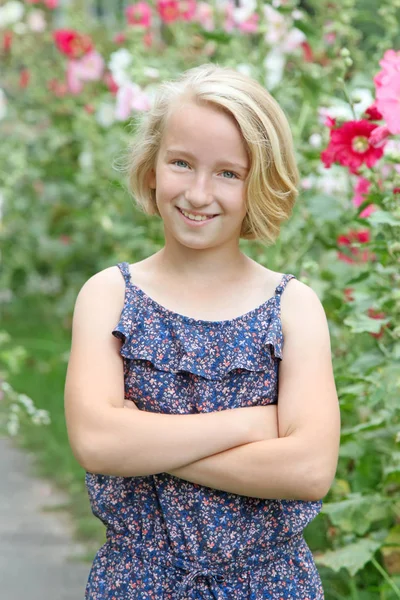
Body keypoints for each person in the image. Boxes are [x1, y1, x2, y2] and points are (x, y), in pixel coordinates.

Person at [64, 63, 341, 599]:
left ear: (259, 181)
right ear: (151, 167)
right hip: (138, 581)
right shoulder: (110, 296)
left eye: (227, 173)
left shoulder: (293, 308)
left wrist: (145, 439)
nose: (197, 192)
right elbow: (98, 443)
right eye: (181, 163)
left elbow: (308, 470)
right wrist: (254, 425)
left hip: (270, 584)